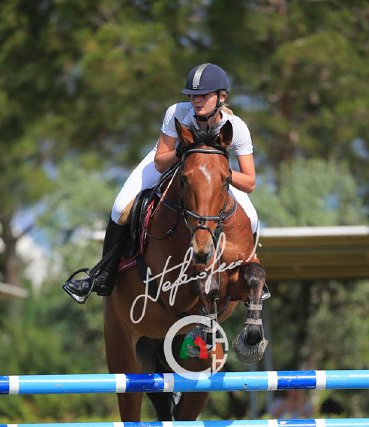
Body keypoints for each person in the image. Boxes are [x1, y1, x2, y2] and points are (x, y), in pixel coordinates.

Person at [63, 63, 259, 303]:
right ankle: (103, 275)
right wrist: (181, 151)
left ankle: (247, 274)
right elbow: (160, 162)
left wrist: (220, 172)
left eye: (203, 95)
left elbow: (249, 182)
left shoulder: (236, 127)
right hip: (172, 160)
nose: (196, 100)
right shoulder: (176, 112)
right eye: (192, 95)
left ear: (222, 97)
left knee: (252, 218)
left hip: (214, 174)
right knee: (120, 207)